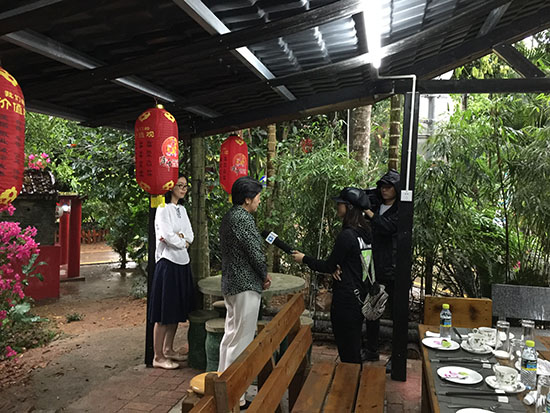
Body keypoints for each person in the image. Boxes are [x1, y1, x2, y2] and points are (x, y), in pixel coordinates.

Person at [292, 187, 371, 364]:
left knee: (347, 349)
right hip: (360, 296)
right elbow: (358, 263)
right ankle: (354, 383)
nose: (337, 207)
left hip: (346, 299)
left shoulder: (347, 235)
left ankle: (350, 386)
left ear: (349, 207)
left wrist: (304, 259)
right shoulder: (365, 233)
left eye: (340, 204)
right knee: (354, 344)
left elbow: (328, 265)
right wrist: (340, 265)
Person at [218, 176, 271, 410]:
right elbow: (255, 253)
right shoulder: (244, 219)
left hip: (231, 284)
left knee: (230, 335)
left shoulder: (229, 217)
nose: (259, 201)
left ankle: (222, 383)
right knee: (242, 338)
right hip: (245, 285)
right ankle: (235, 394)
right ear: (247, 199)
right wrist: (264, 275)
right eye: (257, 197)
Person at [148, 176, 195, 369]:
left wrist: (183, 239)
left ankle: (169, 349)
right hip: (167, 262)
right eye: (180, 186)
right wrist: (181, 240)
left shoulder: (182, 210)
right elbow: (166, 235)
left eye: (185, 186)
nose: (183, 189)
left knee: (175, 310)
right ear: (170, 187)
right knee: (163, 311)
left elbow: (190, 234)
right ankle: (158, 356)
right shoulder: (162, 208)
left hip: (182, 261)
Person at [362, 169, 400, 363]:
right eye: (382, 186)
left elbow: (387, 228)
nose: (384, 190)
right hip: (374, 266)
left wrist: (368, 212)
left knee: (396, 315)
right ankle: (371, 350)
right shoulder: (376, 205)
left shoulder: (401, 209)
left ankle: (396, 357)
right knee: (372, 310)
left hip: (393, 268)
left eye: (389, 186)